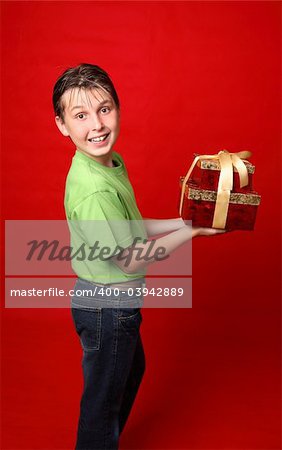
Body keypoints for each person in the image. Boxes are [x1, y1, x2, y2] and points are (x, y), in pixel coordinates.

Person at [53, 63, 223, 450]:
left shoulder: (109, 162)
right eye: (80, 115)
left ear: (118, 108)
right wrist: (191, 232)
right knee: (102, 404)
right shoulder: (95, 191)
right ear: (62, 124)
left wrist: (183, 220)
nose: (96, 124)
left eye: (104, 109)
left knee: (129, 373)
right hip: (107, 309)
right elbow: (129, 259)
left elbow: (130, 225)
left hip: (113, 304)